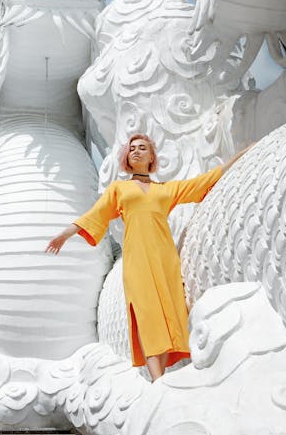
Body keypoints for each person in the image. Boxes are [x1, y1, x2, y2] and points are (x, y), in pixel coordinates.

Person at [46, 134, 252, 381]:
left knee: (170, 314)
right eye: (131, 148)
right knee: (147, 315)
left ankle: (162, 378)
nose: (136, 151)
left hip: (165, 259)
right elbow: (95, 215)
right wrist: (65, 234)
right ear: (127, 158)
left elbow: (203, 182)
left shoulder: (165, 190)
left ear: (151, 156)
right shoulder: (119, 189)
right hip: (137, 261)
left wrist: (241, 155)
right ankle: (158, 381)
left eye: (142, 148)